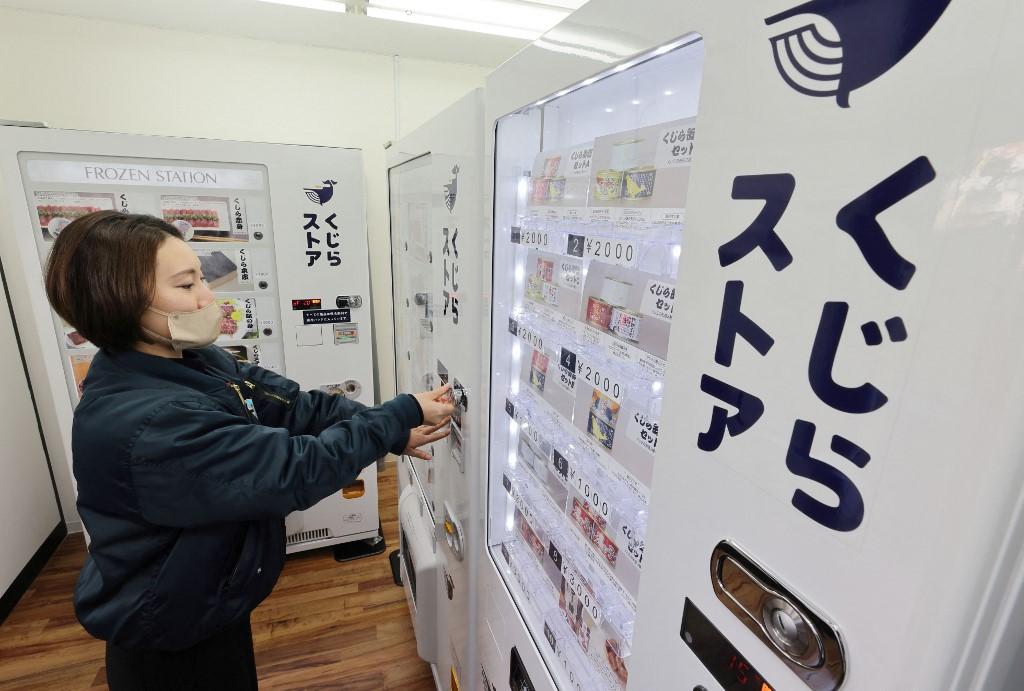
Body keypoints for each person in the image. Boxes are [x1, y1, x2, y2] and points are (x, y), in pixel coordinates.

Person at [43, 210, 455, 690]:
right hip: (169, 630)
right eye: (185, 285)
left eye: (201, 277)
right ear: (120, 302)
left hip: (205, 594)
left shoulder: (188, 360)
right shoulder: (151, 422)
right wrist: (399, 414)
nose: (206, 296)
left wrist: (389, 428)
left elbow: (295, 407)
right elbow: (293, 472)